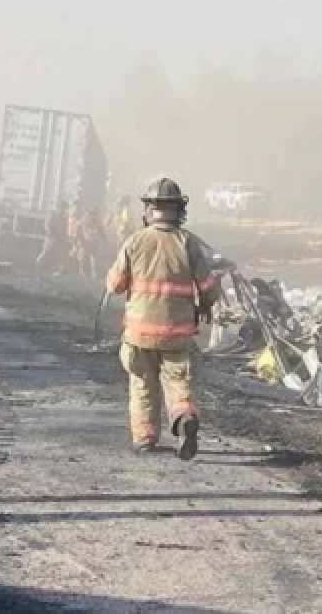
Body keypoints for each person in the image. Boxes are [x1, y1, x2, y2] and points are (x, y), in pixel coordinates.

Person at [105, 177, 222, 460]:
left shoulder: (135, 241)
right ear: (179, 209)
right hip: (176, 332)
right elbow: (209, 286)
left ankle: (145, 438)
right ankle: (183, 419)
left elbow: (116, 285)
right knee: (177, 381)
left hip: (139, 333)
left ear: (149, 209)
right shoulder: (188, 242)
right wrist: (205, 304)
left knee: (142, 383)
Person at [36, 206, 70, 273]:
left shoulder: (65, 218)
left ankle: (57, 271)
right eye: (62, 207)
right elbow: (47, 226)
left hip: (61, 240)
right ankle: (38, 266)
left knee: (61, 255)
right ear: (58, 208)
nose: (63, 209)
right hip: (52, 238)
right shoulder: (53, 216)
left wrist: (64, 237)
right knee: (46, 252)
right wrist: (52, 234)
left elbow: (66, 228)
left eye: (65, 208)